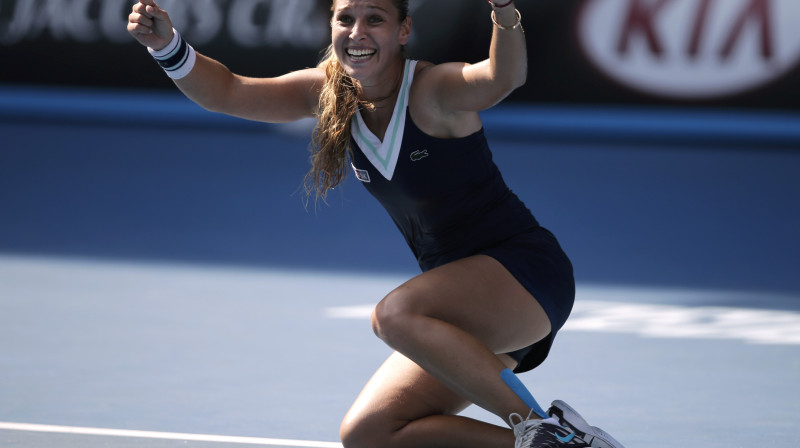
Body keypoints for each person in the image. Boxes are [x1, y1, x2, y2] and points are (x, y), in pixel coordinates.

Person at [127, 1, 625, 447]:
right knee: (370, 434)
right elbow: (228, 93)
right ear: (331, 26)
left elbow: (502, 77)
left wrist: (504, 9)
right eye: (345, 18)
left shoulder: (434, 89)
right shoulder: (325, 92)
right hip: (465, 313)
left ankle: (544, 429)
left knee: (394, 315)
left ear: (404, 30)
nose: (357, 31)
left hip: (525, 276)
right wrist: (166, 45)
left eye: (376, 20)